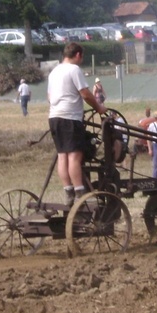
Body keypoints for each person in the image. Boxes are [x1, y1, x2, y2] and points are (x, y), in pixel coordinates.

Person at [47, 42, 107, 206]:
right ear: (78, 55)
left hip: (54, 117)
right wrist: (99, 108)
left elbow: (49, 96)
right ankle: (80, 192)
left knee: (62, 155)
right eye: (82, 56)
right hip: (70, 118)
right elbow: (86, 94)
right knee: (75, 156)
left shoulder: (54, 72)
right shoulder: (74, 70)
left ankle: (68, 191)